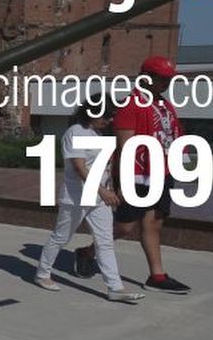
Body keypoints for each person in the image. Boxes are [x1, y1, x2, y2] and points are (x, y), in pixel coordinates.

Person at [75, 55, 189, 294]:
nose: (166, 83)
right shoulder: (130, 105)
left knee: (154, 223)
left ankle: (156, 275)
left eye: (169, 79)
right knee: (126, 227)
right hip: (137, 175)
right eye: (162, 78)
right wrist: (124, 182)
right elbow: (126, 146)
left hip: (160, 172)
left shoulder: (165, 106)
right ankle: (87, 252)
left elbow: (171, 136)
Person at [36, 104, 141, 303]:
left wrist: (111, 188)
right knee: (61, 237)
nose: (109, 120)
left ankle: (115, 288)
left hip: (98, 199)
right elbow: (79, 167)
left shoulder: (96, 135)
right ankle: (42, 273)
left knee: (105, 241)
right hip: (76, 197)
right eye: (106, 115)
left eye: (111, 116)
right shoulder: (75, 132)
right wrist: (102, 191)